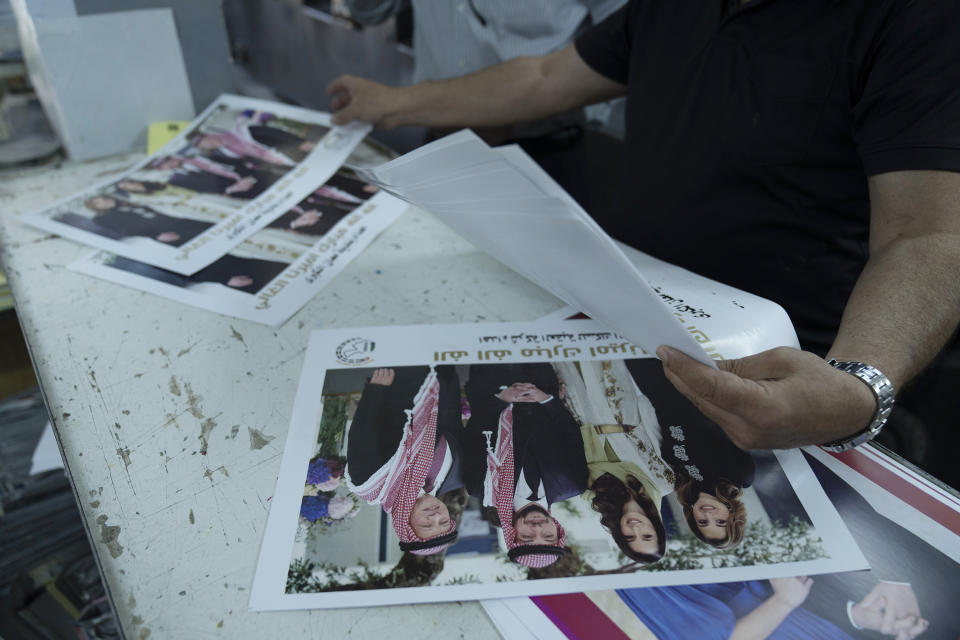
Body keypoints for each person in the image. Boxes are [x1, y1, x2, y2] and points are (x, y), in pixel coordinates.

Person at [326, 0, 960, 455]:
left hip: (777, 368)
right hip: (630, 316)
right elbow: (546, 77)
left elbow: (928, 235)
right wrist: (394, 102)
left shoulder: (912, 20)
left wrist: (859, 387)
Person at [342, 0, 626, 207]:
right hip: (437, 146)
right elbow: (369, 11)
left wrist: (397, 103)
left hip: (541, 155)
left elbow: (624, 45)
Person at [463, 362, 587, 568]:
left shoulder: (481, 488)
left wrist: (501, 400)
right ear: (557, 530)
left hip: (490, 386)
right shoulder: (574, 484)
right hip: (539, 384)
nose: (537, 528)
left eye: (528, 536)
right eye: (548, 536)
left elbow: (472, 435)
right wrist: (546, 399)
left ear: (513, 533)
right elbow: (571, 433)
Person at [625, 358, 754, 549]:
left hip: (651, 384)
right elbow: (731, 419)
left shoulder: (677, 481)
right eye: (720, 522)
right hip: (691, 379)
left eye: (702, 522)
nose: (708, 515)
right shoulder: (739, 475)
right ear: (732, 515)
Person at [555, 359, 673, 564]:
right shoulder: (663, 483)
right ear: (657, 528)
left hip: (578, 410)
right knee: (599, 350)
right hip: (619, 404)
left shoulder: (592, 492)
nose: (636, 528)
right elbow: (654, 430)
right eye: (647, 535)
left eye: (629, 537)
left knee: (562, 354)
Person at [344, 366, 463, 555]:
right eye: (443, 522)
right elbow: (453, 422)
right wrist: (449, 380)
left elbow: (363, 432)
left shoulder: (372, 485)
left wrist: (376, 390)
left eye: (426, 525)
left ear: (405, 522)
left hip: (400, 383)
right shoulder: (454, 478)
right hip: (444, 378)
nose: (436, 516)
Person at [74, 195, 213, 247]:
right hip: (164, 232)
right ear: (95, 209)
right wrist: (154, 235)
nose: (104, 202)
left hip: (177, 220)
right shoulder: (103, 218)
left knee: (211, 229)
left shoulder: (129, 203)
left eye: (103, 198)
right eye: (98, 203)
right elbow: (126, 230)